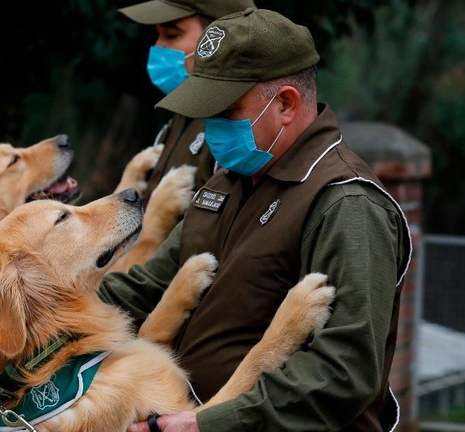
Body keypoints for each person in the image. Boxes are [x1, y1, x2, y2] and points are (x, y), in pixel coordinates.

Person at [99, 8, 413, 431]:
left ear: (285, 104)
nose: (210, 129)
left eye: (225, 111)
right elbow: (147, 287)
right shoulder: (227, 182)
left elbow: (345, 371)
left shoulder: (346, 204)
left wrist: (210, 424)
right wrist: (33, 311)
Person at [117, 0, 256, 207]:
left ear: (220, 40)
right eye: (158, 34)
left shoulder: (239, 128)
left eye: (172, 35)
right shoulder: (182, 115)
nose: (158, 47)